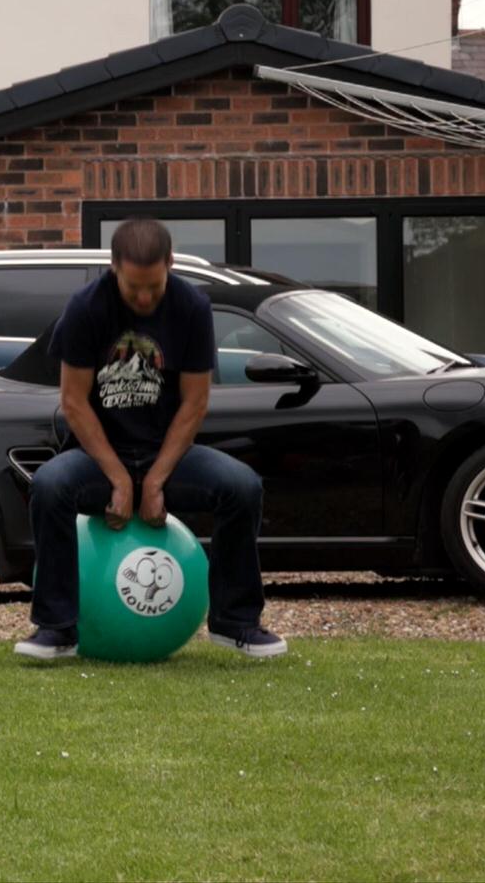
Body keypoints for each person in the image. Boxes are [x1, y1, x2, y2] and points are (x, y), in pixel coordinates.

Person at [15, 218, 286, 660]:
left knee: (242, 486)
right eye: (133, 288)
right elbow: (74, 402)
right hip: (98, 457)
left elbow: (195, 402)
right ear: (114, 268)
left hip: (170, 457)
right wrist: (119, 479)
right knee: (49, 485)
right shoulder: (85, 308)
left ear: (170, 264)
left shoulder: (192, 307)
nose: (144, 298)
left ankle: (235, 621)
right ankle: (57, 628)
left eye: (154, 287)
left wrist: (156, 480)